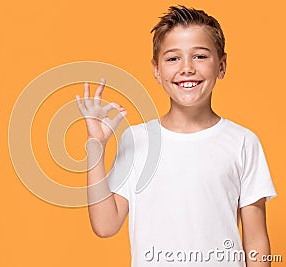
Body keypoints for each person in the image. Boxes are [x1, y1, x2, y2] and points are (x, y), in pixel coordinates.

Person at [75, 5, 277, 267]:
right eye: (172, 58)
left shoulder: (243, 142)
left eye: (200, 56)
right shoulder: (137, 140)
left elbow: (256, 242)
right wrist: (95, 147)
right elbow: (105, 225)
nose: (186, 68)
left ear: (222, 65)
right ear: (156, 70)